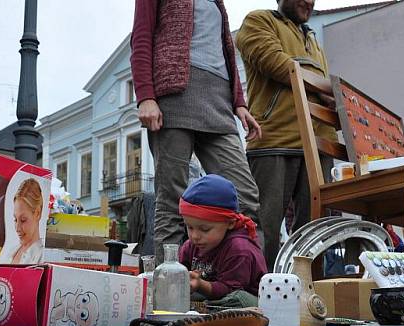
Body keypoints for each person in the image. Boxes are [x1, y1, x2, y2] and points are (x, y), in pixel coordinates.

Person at [131, 0, 262, 263]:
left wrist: (239, 102)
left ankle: (238, 278)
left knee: (245, 197)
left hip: (219, 102)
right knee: (172, 200)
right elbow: (141, 37)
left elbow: (225, 51)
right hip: (174, 97)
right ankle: (172, 289)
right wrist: (145, 95)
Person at [236, 0, 336, 271]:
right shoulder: (258, 21)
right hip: (274, 140)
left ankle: (305, 294)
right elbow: (278, 64)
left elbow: (322, 89)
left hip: (318, 146)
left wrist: (334, 97)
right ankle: (258, 291)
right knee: (264, 226)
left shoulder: (313, 41)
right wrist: (329, 89)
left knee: (313, 231)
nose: (309, 2)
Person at [178, 173, 267, 308]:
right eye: (190, 227)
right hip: (210, 296)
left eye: (205, 229)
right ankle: (204, 309)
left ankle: (205, 309)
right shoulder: (190, 246)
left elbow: (229, 289)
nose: (195, 236)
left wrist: (200, 284)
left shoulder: (239, 249)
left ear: (230, 223)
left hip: (246, 299)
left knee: (237, 299)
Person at [0, 178, 44, 264]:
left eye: (23, 220)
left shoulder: (42, 256)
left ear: (37, 213)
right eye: (15, 219)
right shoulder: (11, 252)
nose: (17, 228)